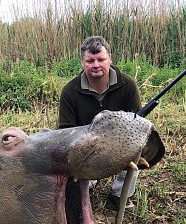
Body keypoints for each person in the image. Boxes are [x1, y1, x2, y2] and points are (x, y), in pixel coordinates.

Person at [58, 36, 142, 212]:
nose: (96, 64)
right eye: (90, 61)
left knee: (139, 147)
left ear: (109, 59)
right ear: (83, 63)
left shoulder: (128, 85)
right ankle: (87, 184)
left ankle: (120, 195)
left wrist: (118, 149)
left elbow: (136, 125)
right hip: (86, 147)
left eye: (101, 59)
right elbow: (65, 132)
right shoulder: (69, 91)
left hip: (119, 144)